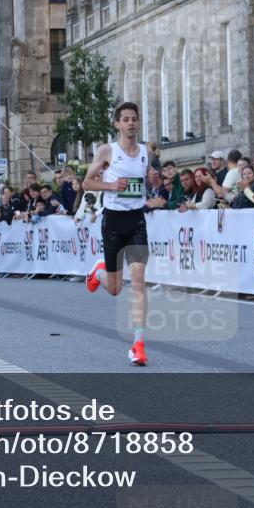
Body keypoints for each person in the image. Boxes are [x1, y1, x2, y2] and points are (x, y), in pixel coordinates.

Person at [82, 102, 163, 366]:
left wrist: (153, 182)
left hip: (137, 220)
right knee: (116, 289)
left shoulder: (145, 153)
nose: (130, 123)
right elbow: (87, 182)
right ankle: (98, 273)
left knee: (139, 280)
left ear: (138, 123)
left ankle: (138, 345)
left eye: (134, 119)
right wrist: (110, 185)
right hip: (113, 222)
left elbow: (148, 179)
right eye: (125, 119)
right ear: (117, 124)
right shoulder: (108, 151)